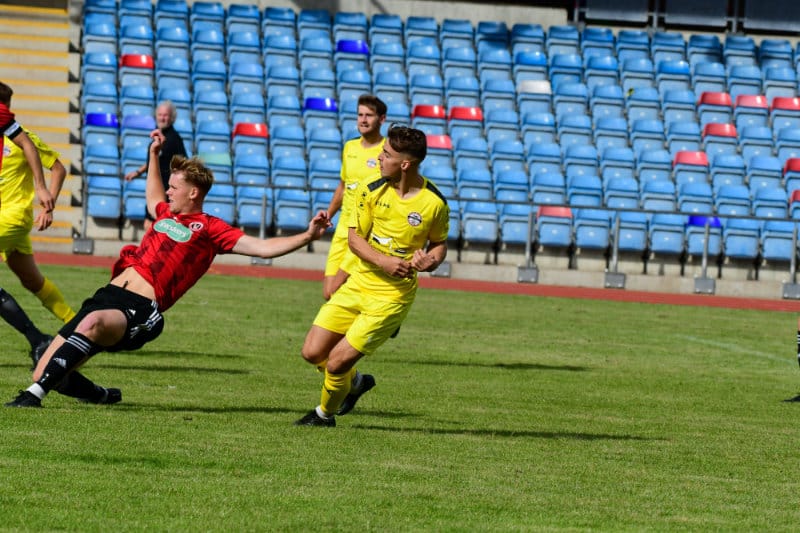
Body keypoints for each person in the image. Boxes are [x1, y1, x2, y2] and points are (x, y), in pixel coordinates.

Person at [5, 129, 331, 408]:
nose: (169, 192)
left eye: (175, 187)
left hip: (140, 309)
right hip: (107, 295)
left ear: (193, 192)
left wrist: (307, 236)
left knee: (88, 328)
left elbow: (262, 247)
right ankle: (101, 395)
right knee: (45, 368)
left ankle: (32, 396)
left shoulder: (210, 228)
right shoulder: (165, 213)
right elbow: (152, 196)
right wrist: (153, 154)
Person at [295, 125, 449, 427]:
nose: (379, 157)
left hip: (392, 297)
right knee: (312, 353)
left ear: (405, 164)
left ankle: (324, 415)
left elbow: (439, 244)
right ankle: (356, 383)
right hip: (359, 282)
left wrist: (430, 261)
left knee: (337, 362)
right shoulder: (370, 188)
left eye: (387, 154)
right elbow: (355, 239)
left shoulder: (435, 203)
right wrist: (384, 261)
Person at [0, 81, 65, 363]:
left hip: (13, 217)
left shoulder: (22, 139)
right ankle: (76, 326)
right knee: (31, 279)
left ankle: (38, 338)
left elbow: (59, 168)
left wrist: (47, 201)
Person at [322, 94, 387, 300]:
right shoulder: (350, 147)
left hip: (363, 232)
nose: (363, 120)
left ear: (382, 119)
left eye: (369, 115)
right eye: (360, 115)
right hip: (343, 227)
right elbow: (343, 186)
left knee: (335, 291)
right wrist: (328, 216)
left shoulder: (387, 151)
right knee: (328, 292)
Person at [123, 100, 187, 231]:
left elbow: (184, 165)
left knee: (152, 226)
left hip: (164, 192)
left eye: (166, 115)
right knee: (149, 225)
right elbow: (155, 160)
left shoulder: (174, 139)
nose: (162, 118)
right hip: (155, 189)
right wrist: (138, 172)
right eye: (160, 114)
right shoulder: (159, 135)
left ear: (172, 117)